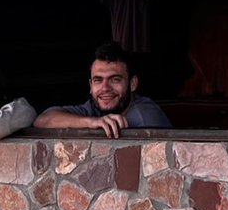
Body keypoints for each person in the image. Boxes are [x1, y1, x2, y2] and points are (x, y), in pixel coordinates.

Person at [36, 41, 170, 138]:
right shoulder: (93, 108)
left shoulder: (144, 117)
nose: (105, 88)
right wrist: (90, 122)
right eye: (98, 80)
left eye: (115, 79)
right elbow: (43, 120)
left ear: (132, 84)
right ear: (90, 86)